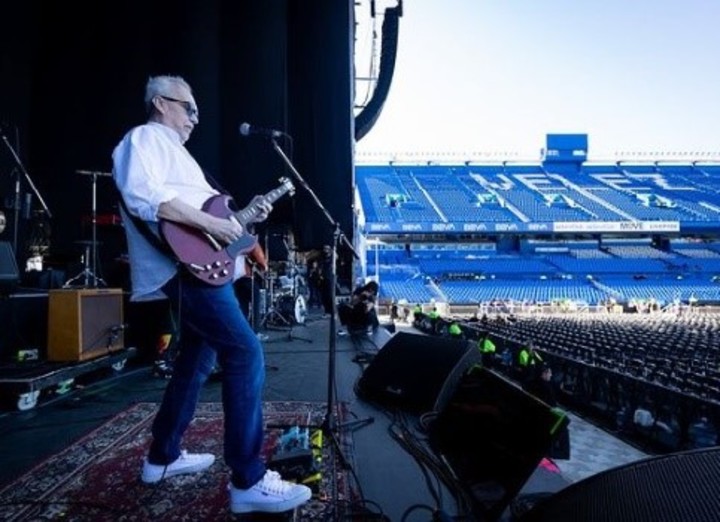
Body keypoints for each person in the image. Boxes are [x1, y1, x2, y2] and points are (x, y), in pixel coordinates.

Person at [112, 75, 311, 515]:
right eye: (189, 109)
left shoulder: (182, 158)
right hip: (181, 270)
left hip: (198, 266)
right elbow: (144, 195)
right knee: (245, 353)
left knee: (196, 360)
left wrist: (239, 220)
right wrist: (217, 226)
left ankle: (161, 458)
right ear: (162, 103)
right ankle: (248, 479)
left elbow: (216, 225)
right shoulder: (145, 138)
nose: (195, 120)